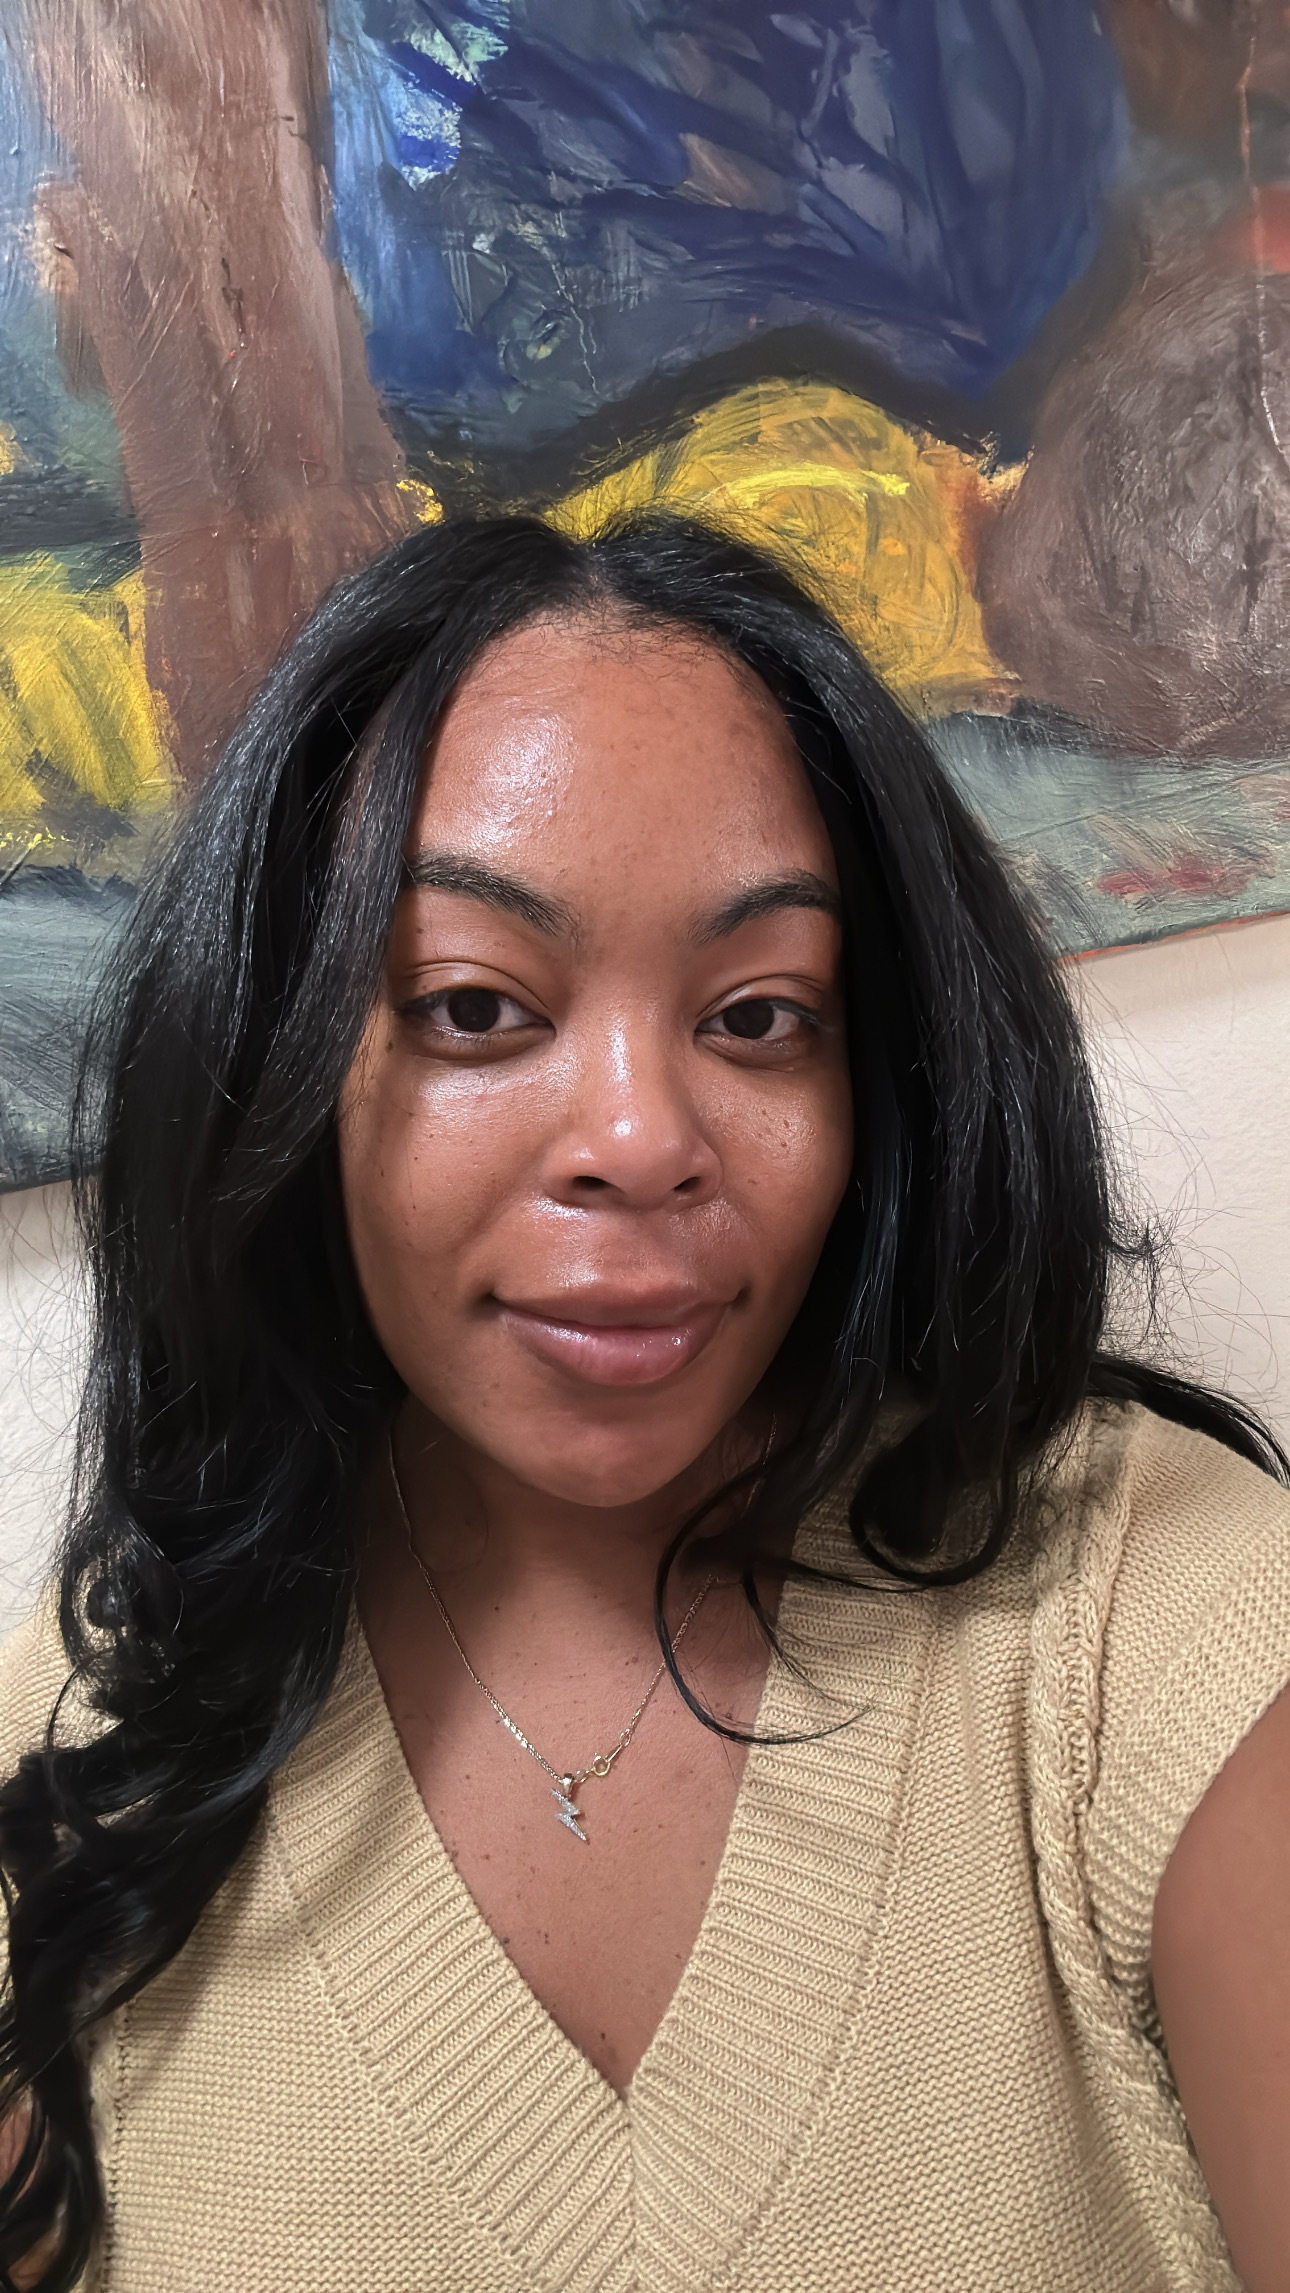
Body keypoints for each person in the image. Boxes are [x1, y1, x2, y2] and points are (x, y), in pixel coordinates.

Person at [0, 513, 1287, 2293]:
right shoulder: (71, 1770)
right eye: (473, 1005)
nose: (639, 1139)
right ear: (270, 1061)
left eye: (758, 1016)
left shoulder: (1157, 1616)